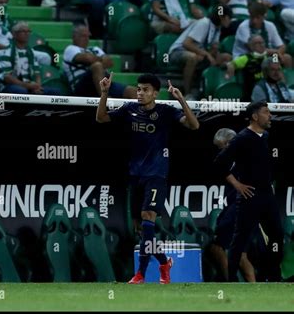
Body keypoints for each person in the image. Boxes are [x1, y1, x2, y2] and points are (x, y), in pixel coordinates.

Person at [96, 73, 200, 284]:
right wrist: (104, 93)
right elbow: (101, 117)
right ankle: (164, 262)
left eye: (145, 90)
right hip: (135, 175)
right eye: (139, 89)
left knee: (147, 216)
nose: (140, 93)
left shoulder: (166, 111)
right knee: (141, 229)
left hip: (156, 174)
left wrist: (181, 100)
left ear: (155, 93)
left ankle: (140, 274)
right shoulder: (129, 109)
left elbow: (194, 125)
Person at [214, 101, 284, 282]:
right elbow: (220, 164)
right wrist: (237, 185)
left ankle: (274, 276)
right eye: (266, 112)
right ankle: (230, 280)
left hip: (267, 195)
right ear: (255, 116)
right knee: (239, 240)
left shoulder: (267, 137)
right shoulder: (242, 138)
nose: (270, 116)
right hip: (249, 196)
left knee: (276, 235)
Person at [209, 128, 256, 282]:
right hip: (245, 208)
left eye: (220, 147)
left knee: (217, 247)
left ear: (229, 144)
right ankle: (255, 289)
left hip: (237, 208)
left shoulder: (238, 159)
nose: (219, 151)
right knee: (242, 255)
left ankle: (231, 283)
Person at [169, 4, 233, 98]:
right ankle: (187, 93)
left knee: (226, 57)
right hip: (177, 51)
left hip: (197, 53)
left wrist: (215, 52)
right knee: (193, 57)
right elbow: (186, 44)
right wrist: (207, 54)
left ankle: (217, 92)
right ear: (221, 16)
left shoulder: (217, 28)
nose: (230, 21)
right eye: (229, 17)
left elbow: (210, 50)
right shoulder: (204, 23)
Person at [63, 24, 136, 98]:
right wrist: (100, 60)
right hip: (82, 85)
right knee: (97, 66)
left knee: (132, 91)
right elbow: (88, 58)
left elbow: (110, 62)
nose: (86, 39)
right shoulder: (70, 49)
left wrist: (94, 59)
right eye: (83, 36)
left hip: (103, 82)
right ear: (74, 37)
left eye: (88, 36)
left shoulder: (95, 49)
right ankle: (105, 100)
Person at [0, 0, 50, 65]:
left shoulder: (7, 19)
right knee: (17, 57)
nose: (3, 6)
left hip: (14, 48)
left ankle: (34, 74)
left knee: (45, 57)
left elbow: (16, 33)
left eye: (5, 3)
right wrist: (8, 48)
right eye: (0, 3)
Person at [0, 22, 60, 95]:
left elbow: (37, 73)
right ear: (14, 34)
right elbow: (7, 77)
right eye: (23, 31)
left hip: (29, 85)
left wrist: (37, 86)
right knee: (21, 91)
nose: (27, 34)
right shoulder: (7, 53)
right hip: (10, 86)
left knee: (55, 91)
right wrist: (27, 86)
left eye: (28, 31)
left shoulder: (31, 53)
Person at [233, 2, 292, 68]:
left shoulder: (270, 26)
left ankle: (284, 78)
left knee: (287, 58)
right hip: (247, 57)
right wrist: (275, 52)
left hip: (266, 56)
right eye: (252, 17)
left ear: (264, 16)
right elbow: (254, 49)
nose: (254, 21)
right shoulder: (243, 27)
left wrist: (277, 54)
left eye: (257, 18)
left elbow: (282, 46)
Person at [225, 35, 268, 101]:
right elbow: (231, 64)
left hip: (268, 89)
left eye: (262, 43)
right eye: (257, 43)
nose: (261, 45)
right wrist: (229, 74)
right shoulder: (246, 58)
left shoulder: (269, 57)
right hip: (252, 91)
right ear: (251, 46)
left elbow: (278, 68)